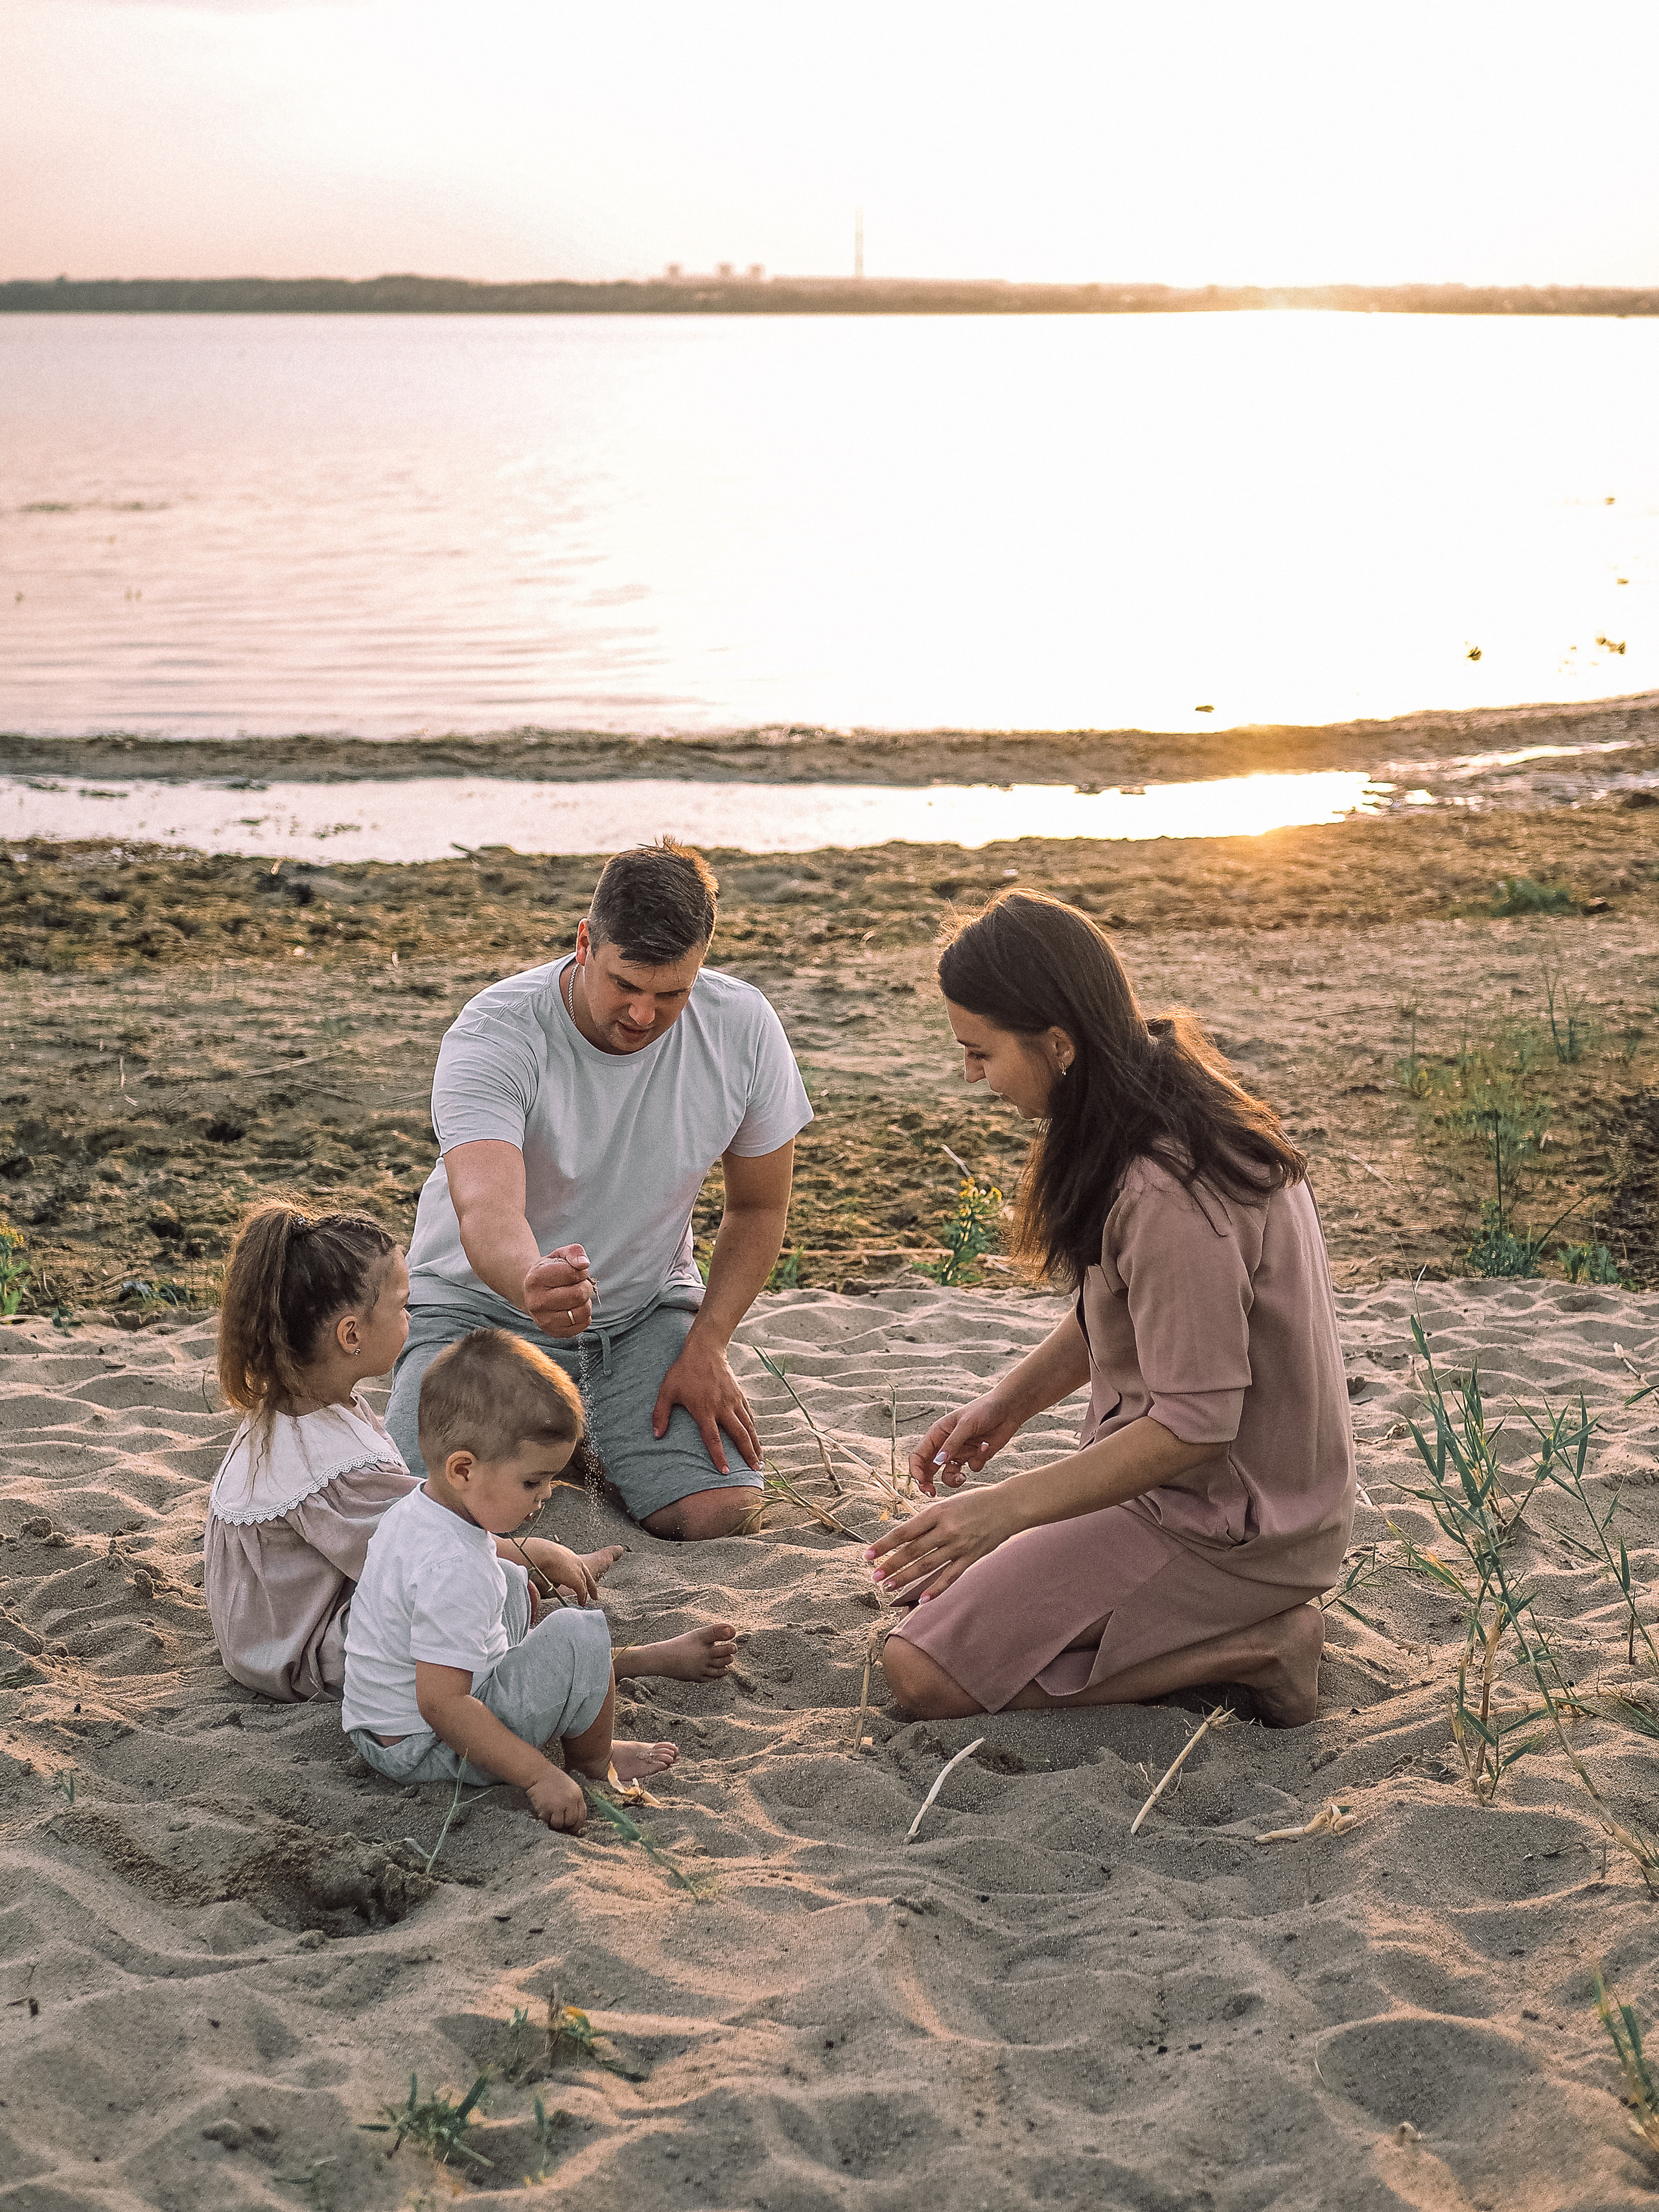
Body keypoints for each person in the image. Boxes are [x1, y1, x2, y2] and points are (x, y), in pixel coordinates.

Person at [870, 893, 1354, 1729]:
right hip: (1196, 1494)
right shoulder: (1147, 1104)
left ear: (1058, 1044)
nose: (971, 1075)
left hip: (1231, 1524)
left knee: (921, 1672)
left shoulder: (1167, 1187)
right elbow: (1123, 1310)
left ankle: (1261, 1646)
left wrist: (1004, 1508)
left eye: (979, 1052)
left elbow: (1197, 1426)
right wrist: (1007, 1403)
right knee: (934, 1586)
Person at [385, 840, 812, 1541]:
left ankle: (582, 1436)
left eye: (671, 992)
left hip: (643, 1312)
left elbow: (758, 1206)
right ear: (586, 942)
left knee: (721, 1514)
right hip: (478, 1310)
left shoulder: (744, 1025)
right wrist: (533, 1278)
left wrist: (708, 1342)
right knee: (432, 1520)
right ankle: (561, 1435)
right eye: (626, 984)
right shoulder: (497, 1030)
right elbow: (485, 1204)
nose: (644, 1014)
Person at [205, 1198, 621, 1703]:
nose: (412, 1313)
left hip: (265, 1639)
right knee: (502, 1583)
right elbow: (427, 1545)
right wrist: (543, 1554)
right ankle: (593, 1665)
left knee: (499, 1579)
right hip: (303, 1655)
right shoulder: (334, 1468)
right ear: (351, 1334)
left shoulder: (291, 1409)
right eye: (402, 1306)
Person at [344, 1329, 737, 1827]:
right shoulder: (455, 1571)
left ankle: (579, 1683)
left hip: (378, 1726)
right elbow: (443, 1705)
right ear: (463, 1469)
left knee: (509, 1579)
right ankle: (595, 1758)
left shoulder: (419, 1508)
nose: (546, 1494)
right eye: (533, 1481)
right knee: (580, 1631)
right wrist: (537, 1775)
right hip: (426, 1748)